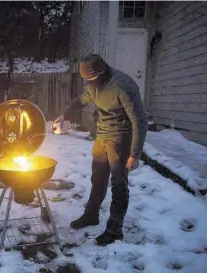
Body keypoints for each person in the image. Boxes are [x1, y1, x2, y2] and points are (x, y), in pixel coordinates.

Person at [54, 54, 148, 246]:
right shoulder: (93, 86)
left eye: (90, 80)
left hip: (120, 138)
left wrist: (135, 154)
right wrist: (64, 115)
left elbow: (140, 121)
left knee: (118, 184)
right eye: (86, 80)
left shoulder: (123, 86)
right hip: (102, 135)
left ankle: (114, 231)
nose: (88, 84)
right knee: (97, 178)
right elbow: (80, 101)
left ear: (101, 73)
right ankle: (91, 215)